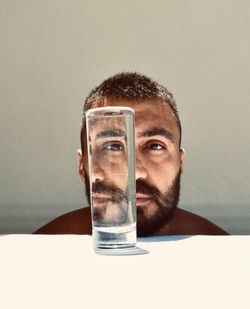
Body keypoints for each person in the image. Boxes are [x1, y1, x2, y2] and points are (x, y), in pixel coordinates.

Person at [35, 72, 228, 236]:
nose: (135, 173)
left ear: (180, 162)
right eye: (113, 147)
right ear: (82, 166)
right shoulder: (32, 255)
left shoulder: (228, 256)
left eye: (155, 146)